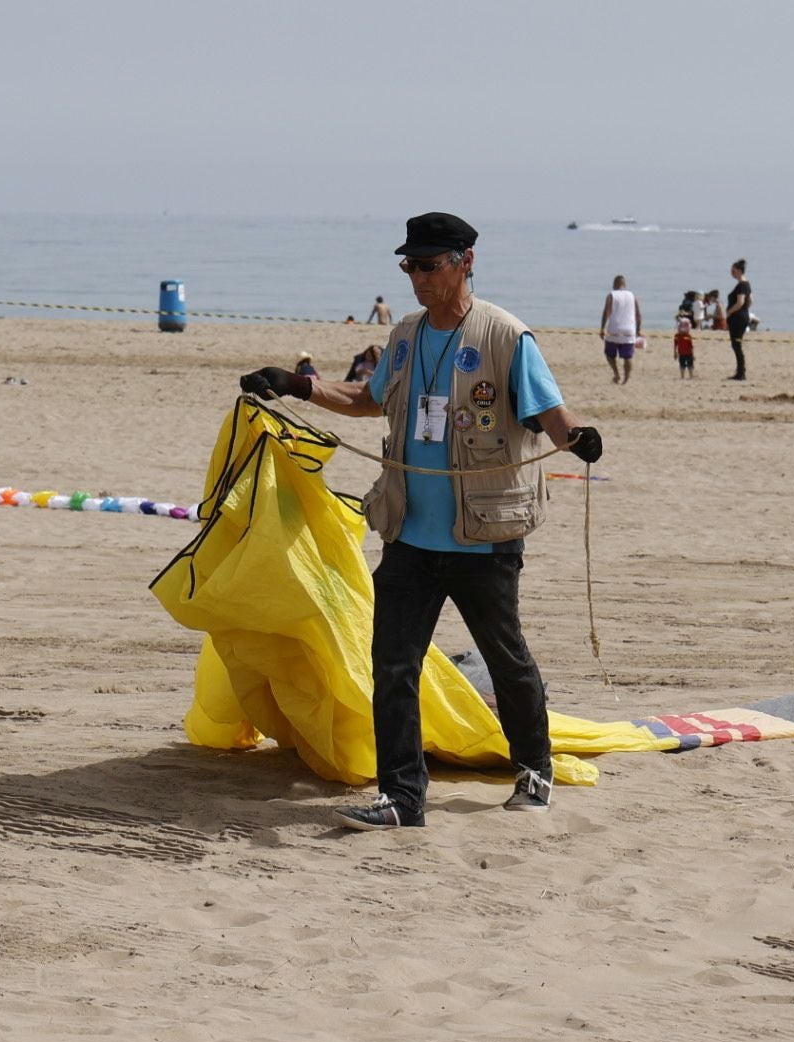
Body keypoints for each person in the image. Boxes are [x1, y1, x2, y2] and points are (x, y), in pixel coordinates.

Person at [239, 211, 603, 829]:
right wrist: (297, 386)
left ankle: (534, 768)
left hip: (484, 535)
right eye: (408, 265)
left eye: (429, 265)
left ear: (466, 263)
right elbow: (369, 399)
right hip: (408, 531)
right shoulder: (405, 335)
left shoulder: (506, 337)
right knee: (393, 664)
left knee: (505, 654)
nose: (417, 278)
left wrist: (581, 440)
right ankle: (403, 798)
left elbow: (553, 417)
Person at [599, 275, 642, 385]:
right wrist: (638, 329)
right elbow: (638, 314)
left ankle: (616, 373)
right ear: (624, 284)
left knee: (609, 354)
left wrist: (602, 328)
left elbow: (606, 312)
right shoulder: (632, 296)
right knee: (628, 356)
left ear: (614, 284)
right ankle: (626, 379)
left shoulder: (611, 295)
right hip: (629, 329)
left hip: (614, 328)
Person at [725, 259, 752, 380]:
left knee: (736, 345)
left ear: (739, 271)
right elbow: (750, 300)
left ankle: (741, 372)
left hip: (738, 318)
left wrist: (730, 312)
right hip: (742, 316)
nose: (732, 273)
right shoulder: (746, 284)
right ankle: (740, 371)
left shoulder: (742, 285)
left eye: (733, 271)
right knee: (736, 344)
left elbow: (740, 302)